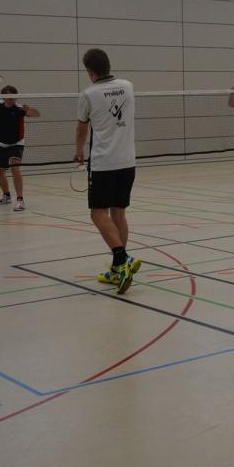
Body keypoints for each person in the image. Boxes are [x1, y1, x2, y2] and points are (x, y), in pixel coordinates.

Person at [74, 48, 140, 295]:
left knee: (97, 213)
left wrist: (78, 150)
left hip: (104, 164)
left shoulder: (88, 94)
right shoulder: (128, 86)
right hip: (128, 162)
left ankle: (122, 260)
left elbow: (82, 129)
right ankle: (116, 269)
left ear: (90, 72)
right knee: (118, 213)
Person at [0, 85, 40, 211]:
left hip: (17, 143)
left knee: (15, 167)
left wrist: (29, 109)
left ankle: (20, 200)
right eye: (8, 96)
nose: (11, 99)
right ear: (3, 97)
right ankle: (6, 195)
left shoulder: (20, 108)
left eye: (13, 96)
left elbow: (37, 114)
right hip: (1, 143)